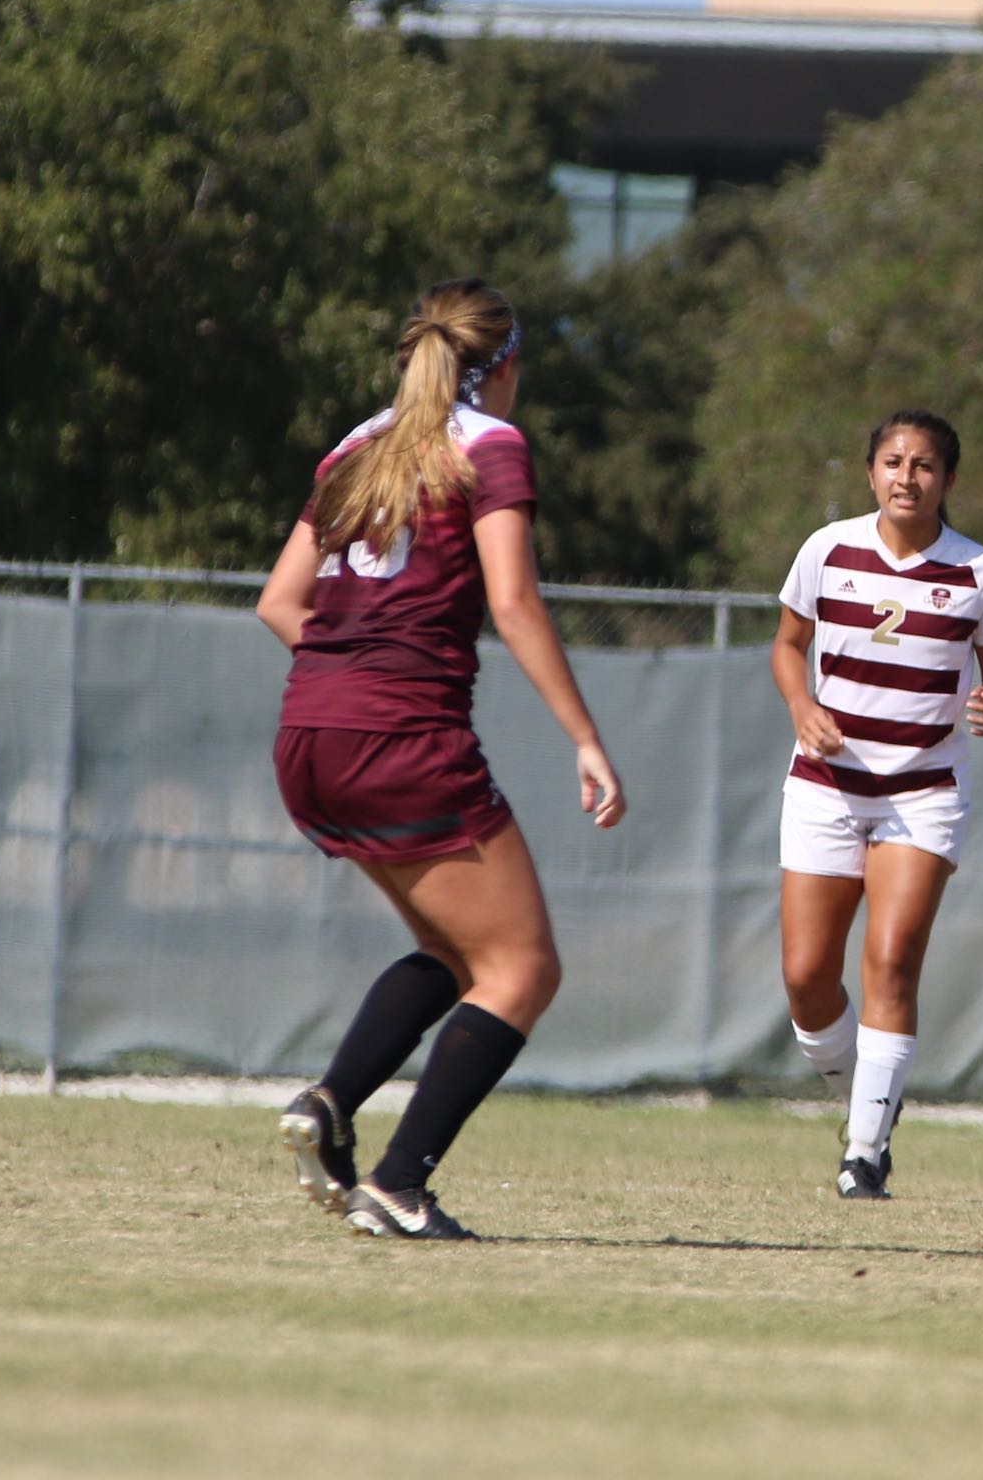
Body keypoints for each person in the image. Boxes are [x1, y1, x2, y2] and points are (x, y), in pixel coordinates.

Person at [255, 277, 626, 1241]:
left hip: (311, 735)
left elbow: (280, 601)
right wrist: (585, 739)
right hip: (402, 738)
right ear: (500, 368)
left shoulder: (356, 445)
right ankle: (398, 1184)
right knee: (524, 969)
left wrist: (351, 679)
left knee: (458, 952)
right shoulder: (491, 445)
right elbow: (514, 602)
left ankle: (330, 1108)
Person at [773, 411, 983, 1199]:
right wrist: (802, 708)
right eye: (892, 461)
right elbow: (786, 645)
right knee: (808, 978)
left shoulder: (980, 572)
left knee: (890, 961)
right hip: (825, 787)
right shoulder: (827, 549)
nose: (905, 477)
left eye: (923, 465)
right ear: (870, 472)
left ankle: (866, 1151)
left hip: (923, 795)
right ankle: (867, 1097)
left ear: (947, 480)